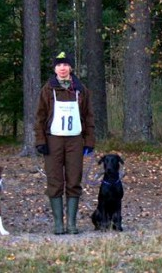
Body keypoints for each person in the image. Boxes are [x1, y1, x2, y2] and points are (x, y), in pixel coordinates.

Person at [34, 51, 96, 235]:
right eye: (59, 65)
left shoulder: (81, 90)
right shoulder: (48, 89)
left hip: (75, 140)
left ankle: (71, 223)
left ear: (71, 67)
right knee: (54, 179)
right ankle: (58, 224)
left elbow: (89, 116)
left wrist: (89, 141)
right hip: (53, 140)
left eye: (65, 64)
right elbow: (39, 117)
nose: (62, 68)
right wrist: (40, 140)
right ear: (55, 68)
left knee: (74, 179)